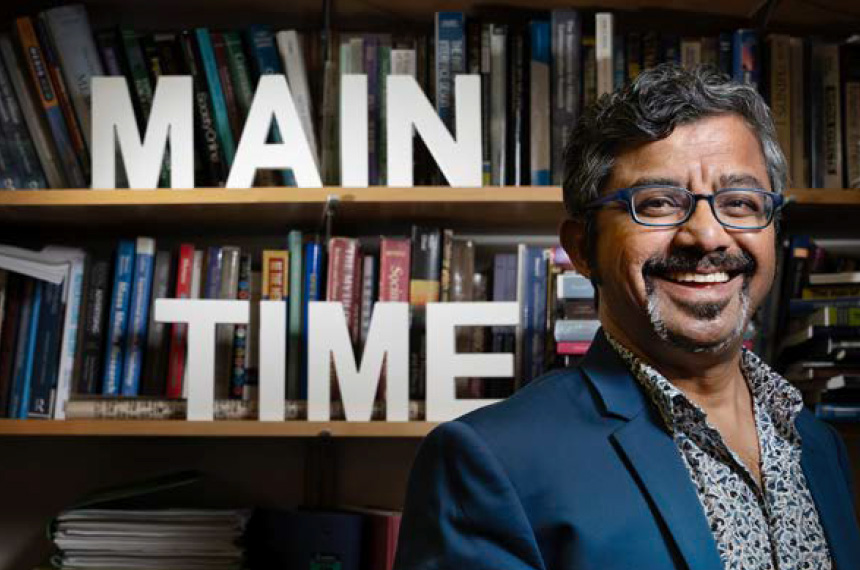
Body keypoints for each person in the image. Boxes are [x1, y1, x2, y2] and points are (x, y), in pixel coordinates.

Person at [392, 64, 860, 570]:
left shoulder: (817, 444)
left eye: (740, 202)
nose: (706, 236)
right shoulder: (488, 461)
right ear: (582, 248)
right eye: (657, 203)